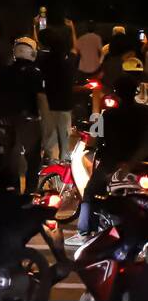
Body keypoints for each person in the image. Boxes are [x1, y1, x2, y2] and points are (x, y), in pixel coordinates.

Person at [71, 75, 148, 244]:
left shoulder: (108, 115)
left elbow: (95, 139)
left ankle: (85, 232)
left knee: (90, 193)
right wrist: (133, 163)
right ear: (135, 92)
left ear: (116, 93)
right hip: (141, 165)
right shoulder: (145, 112)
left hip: (112, 163)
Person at [0, 35, 44, 191]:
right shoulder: (36, 72)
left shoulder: (5, 71)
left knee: (12, 155)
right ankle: (30, 192)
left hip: (8, 119)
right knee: (32, 159)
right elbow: (40, 97)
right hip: (30, 121)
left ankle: (12, 187)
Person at [37, 26, 77, 162]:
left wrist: (33, 26)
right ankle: (64, 158)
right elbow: (75, 50)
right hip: (65, 101)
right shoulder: (69, 59)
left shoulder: (44, 60)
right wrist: (72, 29)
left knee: (50, 132)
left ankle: (49, 158)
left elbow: (37, 50)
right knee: (64, 132)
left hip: (50, 100)